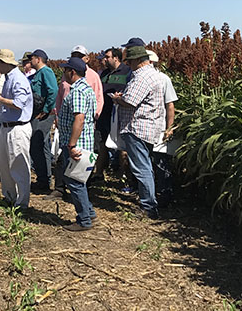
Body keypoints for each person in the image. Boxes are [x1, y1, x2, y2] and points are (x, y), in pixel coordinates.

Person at [109, 40, 168, 219]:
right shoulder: (154, 75)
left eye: (130, 61)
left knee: (141, 168)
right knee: (146, 166)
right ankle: (149, 202)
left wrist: (117, 99)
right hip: (149, 127)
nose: (128, 65)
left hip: (137, 128)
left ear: (137, 60)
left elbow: (130, 101)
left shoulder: (142, 76)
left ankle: (148, 206)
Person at [51, 45, 103, 199]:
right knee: (67, 169)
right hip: (69, 131)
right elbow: (60, 96)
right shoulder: (71, 82)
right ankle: (64, 191)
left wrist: (72, 144)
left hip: (77, 137)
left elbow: (81, 116)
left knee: (76, 179)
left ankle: (85, 210)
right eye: (74, 55)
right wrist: (58, 115)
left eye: (79, 55)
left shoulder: (84, 85)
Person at [56, 57, 98, 231]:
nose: (63, 73)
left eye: (65, 70)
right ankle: (89, 212)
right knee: (77, 179)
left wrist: (72, 145)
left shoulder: (78, 92)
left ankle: (84, 220)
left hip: (77, 145)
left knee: (75, 182)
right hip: (83, 142)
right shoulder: (86, 89)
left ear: (72, 72)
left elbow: (79, 119)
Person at [0, 49, 34, 209]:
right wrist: (0, 102)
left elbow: (19, 104)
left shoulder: (18, 80)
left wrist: (0, 99)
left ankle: (22, 203)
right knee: (4, 164)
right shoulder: (9, 78)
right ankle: (10, 197)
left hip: (18, 128)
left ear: (5, 63)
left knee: (18, 165)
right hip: (7, 126)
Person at [94, 47, 131, 179]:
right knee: (102, 143)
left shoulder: (127, 72)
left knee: (122, 146)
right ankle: (99, 173)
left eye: (107, 57)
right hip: (104, 115)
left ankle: (125, 176)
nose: (104, 59)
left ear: (116, 58)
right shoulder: (104, 74)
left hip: (119, 114)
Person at [147, 50, 178, 208]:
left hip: (159, 128)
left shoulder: (164, 79)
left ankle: (165, 194)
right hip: (145, 128)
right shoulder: (139, 78)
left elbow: (170, 105)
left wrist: (169, 128)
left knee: (160, 161)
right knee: (147, 163)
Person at [28, 49, 57, 192]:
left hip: (43, 114)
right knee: (40, 145)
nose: (30, 61)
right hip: (38, 113)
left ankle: (44, 180)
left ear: (38, 59)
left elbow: (53, 91)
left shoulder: (46, 72)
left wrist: (45, 110)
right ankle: (43, 179)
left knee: (36, 144)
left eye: (32, 58)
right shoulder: (38, 74)